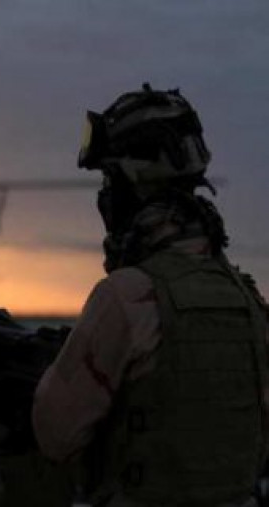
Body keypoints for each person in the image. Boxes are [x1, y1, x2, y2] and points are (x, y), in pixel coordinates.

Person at [32, 84, 269, 507]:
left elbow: (55, 436)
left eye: (110, 179)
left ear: (132, 183)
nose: (106, 195)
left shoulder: (126, 296)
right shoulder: (248, 299)